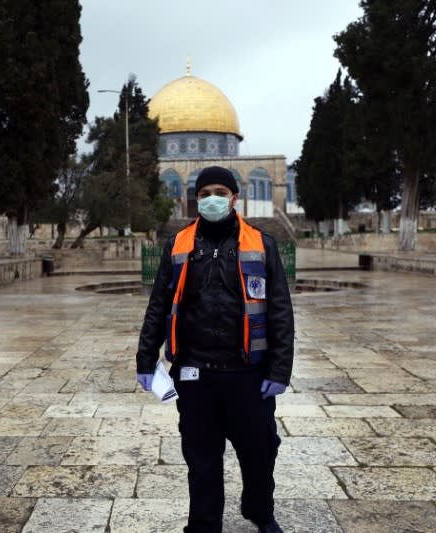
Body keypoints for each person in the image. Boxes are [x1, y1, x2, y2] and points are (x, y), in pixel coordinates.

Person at [136, 166, 294, 533]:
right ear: (196, 198)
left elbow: (280, 311)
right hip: (195, 374)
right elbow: (158, 305)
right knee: (202, 458)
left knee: (259, 451)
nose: (212, 198)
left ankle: (260, 511)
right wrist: (146, 359)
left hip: (248, 374)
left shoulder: (262, 244)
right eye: (205, 192)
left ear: (234, 197)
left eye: (220, 191)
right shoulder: (178, 245)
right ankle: (205, 524)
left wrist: (279, 369)